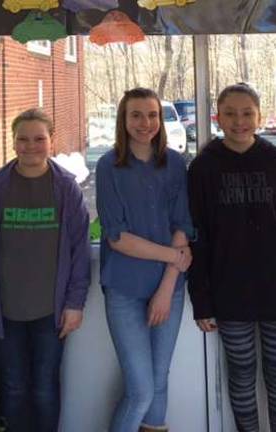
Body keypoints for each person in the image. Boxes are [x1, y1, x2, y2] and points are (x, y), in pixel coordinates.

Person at [187, 83, 276, 432]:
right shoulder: (204, 167)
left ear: (259, 117)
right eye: (230, 113)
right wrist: (202, 300)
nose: (239, 120)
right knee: (242, 376)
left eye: (247, 113)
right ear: (218, 117)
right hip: (230, 293)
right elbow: (196, 238)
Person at [0, 108, 91, 432]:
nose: (30, 146)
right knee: (12, 388)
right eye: (23, 139)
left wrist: (75, 303)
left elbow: (80, 252)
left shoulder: (66, 189)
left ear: (51, 141)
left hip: (51, 314)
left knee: (45, 388)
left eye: (39, 138)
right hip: (4, 312)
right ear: (13, 142)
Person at [96, 87, 193, 432]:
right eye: (136, 115)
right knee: (141, 390)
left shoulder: (176, 163)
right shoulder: (109, 166)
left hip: (170, 287)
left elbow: (182, 223)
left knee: (159, 380)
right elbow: (117, 236)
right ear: (123, 120)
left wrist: (167, 286)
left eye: (152, 115)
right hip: (124, 288)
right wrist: (174, 256)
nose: (145, 122)